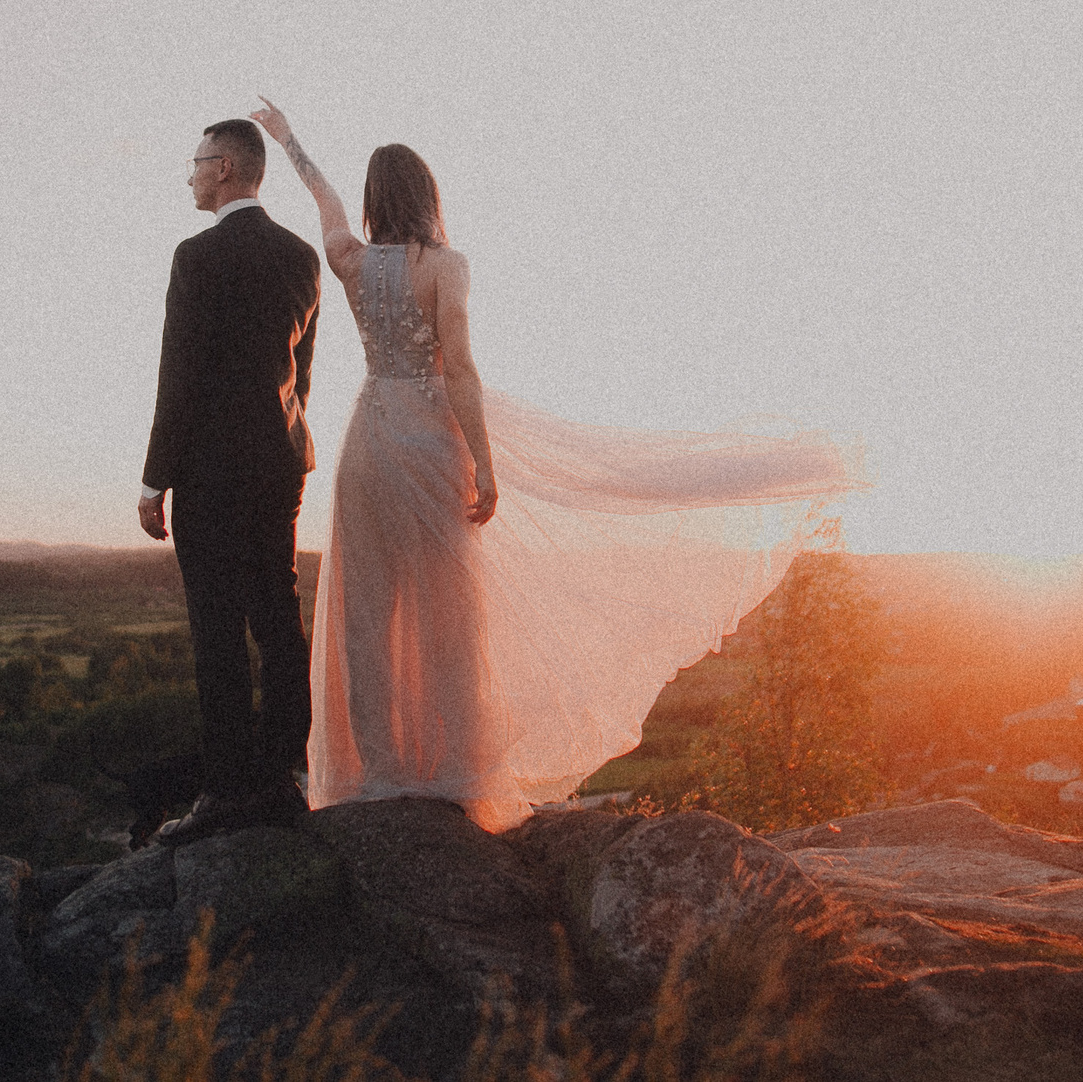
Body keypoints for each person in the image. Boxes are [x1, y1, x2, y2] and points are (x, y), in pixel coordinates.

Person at [251, 97, 864, 830]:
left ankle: (379, 774)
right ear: (427, 196)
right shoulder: (446, 267)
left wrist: (289, 140)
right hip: (430, 445)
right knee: (451, 617)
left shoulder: (350, 262)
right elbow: (460, 371)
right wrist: (484, 465)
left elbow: (322, 198)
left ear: (374, 200)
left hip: (368, 445)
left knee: (368, 618)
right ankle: (453, 772)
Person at [138, 117, 322, 844]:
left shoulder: (197, 257)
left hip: (211, 471)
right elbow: (302, 375)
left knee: (216, 630)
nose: (188, 174)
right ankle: (279, 780)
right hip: (282, 462)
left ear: (224, 168)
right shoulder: (300, 256)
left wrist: (155, 479)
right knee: (278, 618)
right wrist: (285, 438)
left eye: (195, 161)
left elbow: (178, 374)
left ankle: (225, 792)